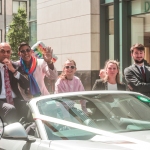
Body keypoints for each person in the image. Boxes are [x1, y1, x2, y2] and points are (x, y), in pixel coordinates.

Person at [0, 42, 29, 124]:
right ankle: (13, 134)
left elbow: (26, 84)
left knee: (28, 106)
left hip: (14, 98)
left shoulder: (15, 66)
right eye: (2, 51)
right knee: (10, 109)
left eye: (8, 52)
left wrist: (13, 70)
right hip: (0, 100)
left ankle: (28, 129)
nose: (6, 54)